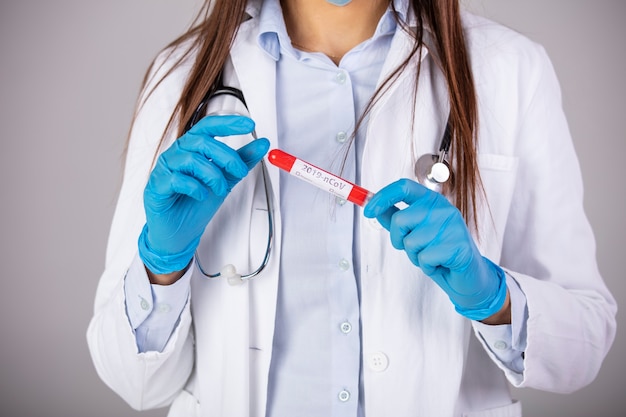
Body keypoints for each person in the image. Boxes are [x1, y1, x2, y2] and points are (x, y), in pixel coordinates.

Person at [86, 0, 617, 416]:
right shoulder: (184, 76)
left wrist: (493, 297)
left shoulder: (509, 69)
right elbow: (135, 382)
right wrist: (162, 263)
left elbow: (583, 347)